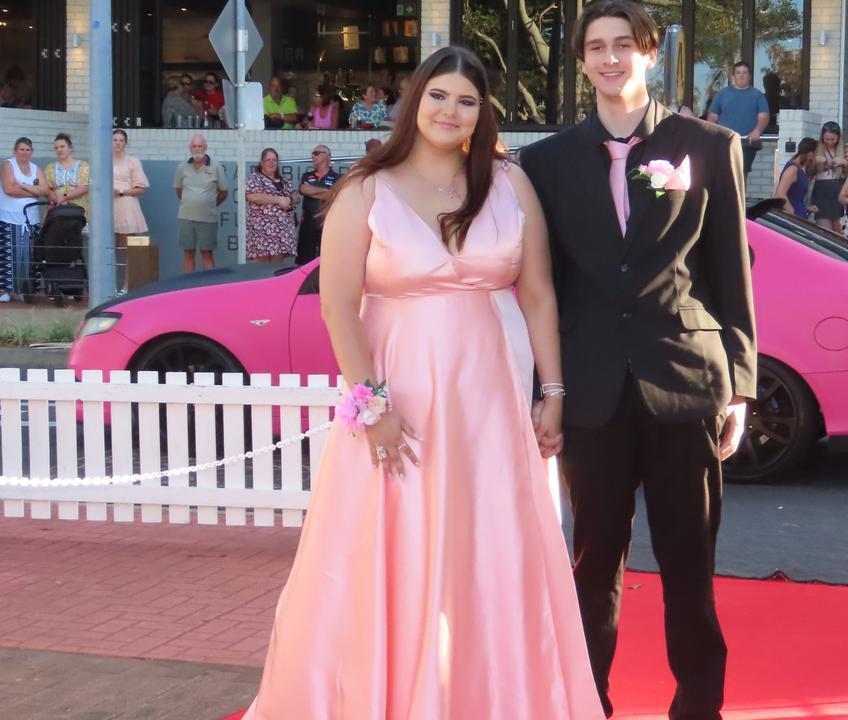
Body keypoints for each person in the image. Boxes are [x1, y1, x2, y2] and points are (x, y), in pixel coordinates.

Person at [239, 46, 604, 720]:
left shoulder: (508, 183)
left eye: (466, 100)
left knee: (492, 544)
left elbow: (540, 296)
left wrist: (551, 394)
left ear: (481, 113)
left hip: (491, 399)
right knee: (393, 546)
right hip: (398, 399)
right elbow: (336, 304)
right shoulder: (365, 188)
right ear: (414, 101)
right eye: (438, 95)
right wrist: (372, 406)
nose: (450, 110)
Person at [520, 2, 757, 717]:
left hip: (686, 385)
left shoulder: (708, 145)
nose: (610, 58)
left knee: (692, 567)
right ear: (582, 61)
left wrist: (738, 386)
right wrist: (547, 388)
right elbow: (543, 286)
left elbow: (728, 273)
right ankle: (587, 703)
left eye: (624, 45)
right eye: (595, 47)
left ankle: (697, 707)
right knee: (593, 569)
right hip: (592, 393)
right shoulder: (546, 161)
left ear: (650, 54)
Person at [0, 137, 50, 302]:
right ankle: (8, 291)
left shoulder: (35, 168)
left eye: (28, 150)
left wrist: (23, 186)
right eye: (21, 149)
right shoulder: (8, 165)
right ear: (15, 150)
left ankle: (27, 290)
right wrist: (34, 191)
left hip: (30, 220)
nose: (25, 153)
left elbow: (44, 190)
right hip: (8, 219)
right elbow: (9, 188)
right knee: (9, 256)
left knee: (29, 256)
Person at [174, 133, 229, 273]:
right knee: (188, 253)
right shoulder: (182, 167)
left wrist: (209, 204)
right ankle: (187, 288)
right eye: (194, 146)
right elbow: (179, 190)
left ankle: (209, 289)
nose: (197, 149)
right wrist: (191, 201)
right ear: (190, 148)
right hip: (186, 217)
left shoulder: (216, 167)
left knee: (207, 254)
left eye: (200, 146)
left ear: (205, 147)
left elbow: (224, 192)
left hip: (207, 219)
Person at [705, 60, 769, 176]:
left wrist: (757, 131)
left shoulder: (757, 95)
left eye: (745, 73)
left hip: (746, 143)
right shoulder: (722, 94)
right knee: (722, 175)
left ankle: (740, 195)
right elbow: (712, 117)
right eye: (738, 72)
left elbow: (764, 117)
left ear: (749, 76)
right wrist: (713, 135)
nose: (741, 75)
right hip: (724, 143)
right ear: (733, 75)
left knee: (740, 175)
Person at [244, 147, 298, 262]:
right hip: (261, 232)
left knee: (276, 267)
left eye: (274, 160)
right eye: (268, 160)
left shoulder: (285, 181)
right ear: (262, 162)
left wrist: (289, 199)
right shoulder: (255, 178)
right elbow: (253, 196)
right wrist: (278, 200)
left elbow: (296, 196)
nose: (271, 162)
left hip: (282, 233)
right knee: (260, 268)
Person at [112, 129, 148, 293]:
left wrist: (121, 192)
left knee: (128, 250)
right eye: (115, 140)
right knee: (111, 249)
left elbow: (140, 188)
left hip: (127, 207)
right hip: (109, 208)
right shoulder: (104, 161)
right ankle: (111, 285)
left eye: (121, 140)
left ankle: (127, 286)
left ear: (125, 143)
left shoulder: (133, 161)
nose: (118, 143)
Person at [295, 144, 338, 264]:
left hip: (327, 224)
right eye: (312, 153)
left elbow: (334, 195)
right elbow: (304, 189)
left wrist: (314, 191)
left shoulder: (337, 177)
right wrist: (326, 191)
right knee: (304, 262)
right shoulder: (307, 176)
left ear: (327, 156)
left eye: (316, 153)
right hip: (308, 224)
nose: (313, 156)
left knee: (327, 262)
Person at [811, 121, 847, 233]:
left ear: (838, 138)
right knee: (824, 229)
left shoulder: (845, 149)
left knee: (839, 229)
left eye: (833, 140)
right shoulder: (816, 148)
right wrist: (814, 161)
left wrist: (845, 162)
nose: (830, 142)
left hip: (838, 189)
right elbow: (807, 169)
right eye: (827, 139)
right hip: (822, 191)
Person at [46, 132, 90, 218]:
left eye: (62, 147)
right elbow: (46, 189)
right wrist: (57, 199)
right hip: (57, 210)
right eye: (56, 148)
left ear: (70, 148)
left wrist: (64, 197)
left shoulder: (83, 166)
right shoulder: (50, 168)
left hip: (78, 210)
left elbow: (85, 187)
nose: (59, 150)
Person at [775, 137, 816, 219]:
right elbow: (780, 194)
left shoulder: (800, 169)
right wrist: (792, 213)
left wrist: (807, 208)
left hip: (800, 212)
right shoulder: (792, 169)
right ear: (810, 153)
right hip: (794, 216)